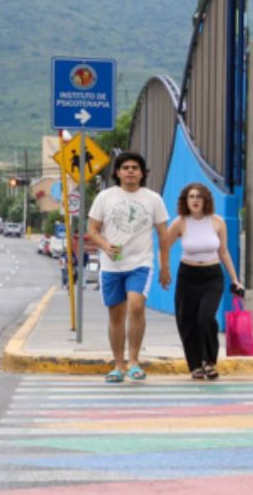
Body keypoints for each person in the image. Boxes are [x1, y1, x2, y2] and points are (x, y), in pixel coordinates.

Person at [86, 152, 171, 383]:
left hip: (140, 263)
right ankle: (118, 365)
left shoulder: (153, 199)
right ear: (118, 172)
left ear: (142, 173)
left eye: (135, 167)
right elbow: (92, 229)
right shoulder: (105, 197)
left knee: (136, 306)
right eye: (125, 167)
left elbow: (164, 236)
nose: (130, 171)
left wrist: (165, 266)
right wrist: (105, 246)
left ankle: (134, 361)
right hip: (111, 266)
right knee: (115, 314)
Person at [166, 183, 244, 380]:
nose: (195, 200)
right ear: (185, 200)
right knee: (187, 321)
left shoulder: (217, 222)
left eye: (199, 196)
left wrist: (235, 279)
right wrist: (164, 268)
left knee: (206, 318)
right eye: (191, 196)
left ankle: (209, 362)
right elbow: (163, 244)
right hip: (187, 276)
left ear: (206, 200)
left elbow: (224, 252)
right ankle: (195, 365)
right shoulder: (181, 222)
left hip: (212, 275)